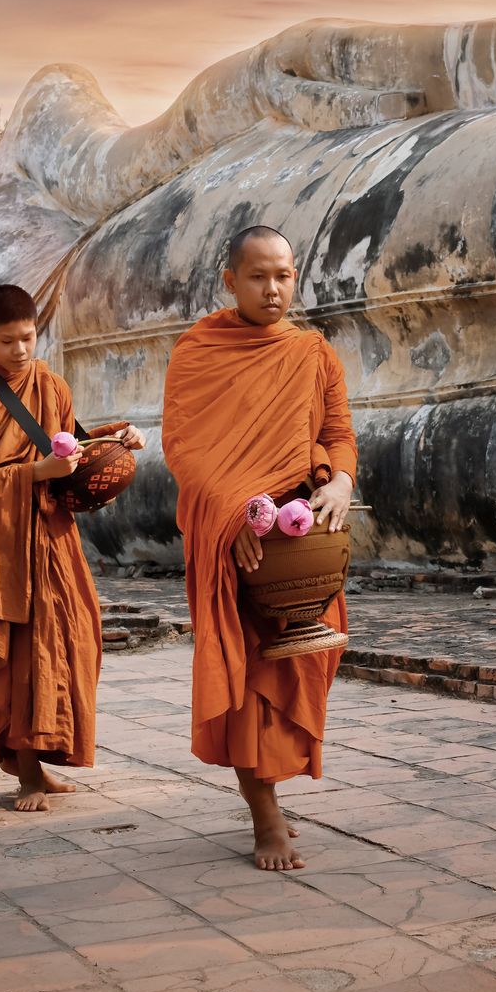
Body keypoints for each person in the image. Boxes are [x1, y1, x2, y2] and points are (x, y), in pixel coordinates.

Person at [163, 225, 357, 871]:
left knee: (301, 665)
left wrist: (343, 485)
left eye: (284, 276)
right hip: (235, 547)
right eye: (258, 277)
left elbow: (339, 434)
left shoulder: (313, 354)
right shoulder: (198, 353)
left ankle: (273, 798)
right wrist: (230, 516)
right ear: (230, 282)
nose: (273, 290)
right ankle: (264, 817)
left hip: (299, 540)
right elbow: (185, 451)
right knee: (246, 684)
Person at [0, 284, 145, 811]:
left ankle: (47, 758)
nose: (21, 351)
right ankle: (27, 774)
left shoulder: (50, 384)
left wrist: (118, 439)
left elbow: (68, 444)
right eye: (8, 341)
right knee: (17, 657)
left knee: (72, 640)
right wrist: (36, 472)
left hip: (53, 540)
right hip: (2, 548)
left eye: (29, 338)